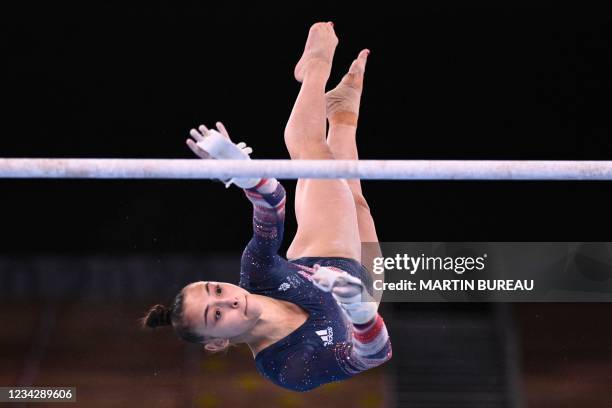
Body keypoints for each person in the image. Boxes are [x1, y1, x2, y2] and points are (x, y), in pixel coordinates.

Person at [143, 21, 392, 392]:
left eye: (216, 291)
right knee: (356, 202)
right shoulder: (286, 366)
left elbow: (272, 207)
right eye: (217, 315)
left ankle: (315, 67)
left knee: (311, 154)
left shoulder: (257, 274)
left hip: (323, 253)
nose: (230, 301)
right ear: (217, 343)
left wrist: (246, 176)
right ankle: (341, 115)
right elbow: (371, 356)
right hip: (364, 291)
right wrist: (356, 306)